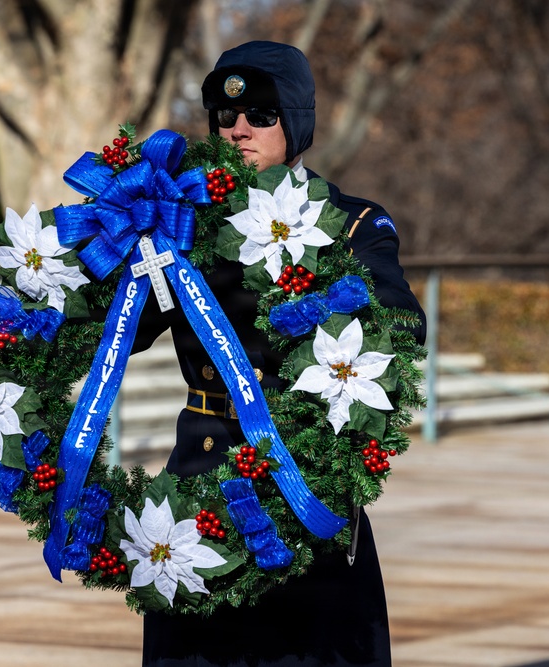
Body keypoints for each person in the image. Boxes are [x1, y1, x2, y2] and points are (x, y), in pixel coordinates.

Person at [134, 41, 426, 667]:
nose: (239, 129)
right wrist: (109, 252)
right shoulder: (184, 224)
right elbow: (123, 331)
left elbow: (404, 322)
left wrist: (315, 284)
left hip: (305, 477)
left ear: (295, 125)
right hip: (201, 476)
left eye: (262, 116)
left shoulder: (351, 224)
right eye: (225, 116)